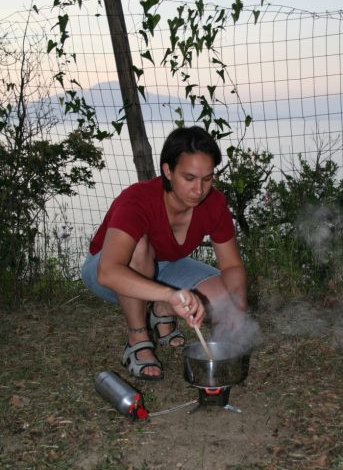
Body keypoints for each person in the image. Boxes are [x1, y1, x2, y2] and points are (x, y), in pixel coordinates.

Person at [81, 126, 247, 380]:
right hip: (107, 270)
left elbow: (232, 266)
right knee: (139, 246)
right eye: (189, 178)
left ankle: (160, 310)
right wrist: (172, 294)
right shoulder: (137, 200)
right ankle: (138, 339)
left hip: (166, 266)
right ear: (168, 170)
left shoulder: (214, 203)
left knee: (221, 300)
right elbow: (108, 271)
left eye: (207, 178)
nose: (199, 190)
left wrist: (237, 307)